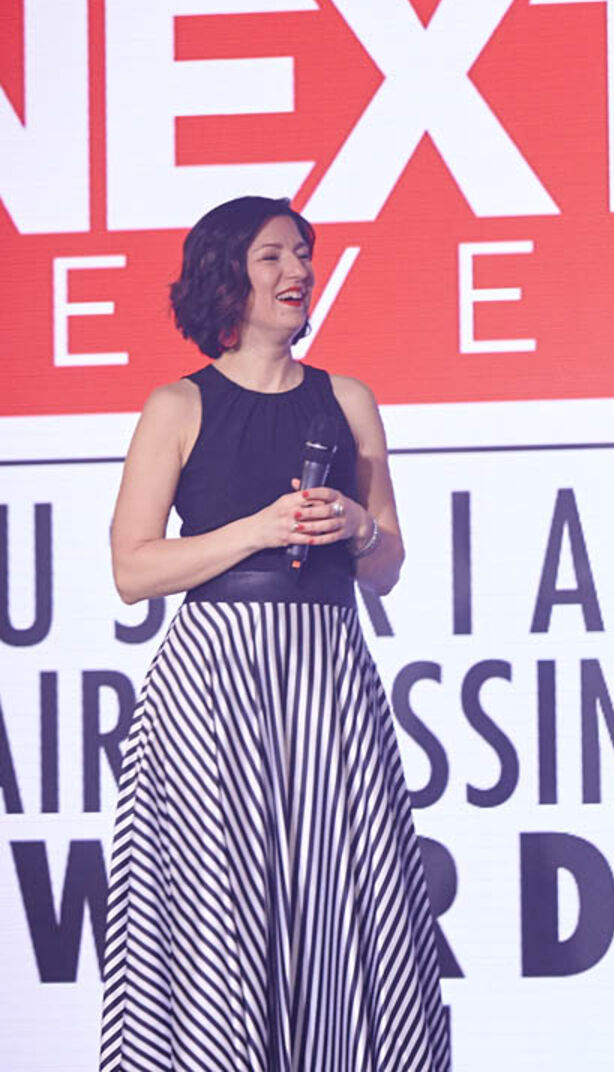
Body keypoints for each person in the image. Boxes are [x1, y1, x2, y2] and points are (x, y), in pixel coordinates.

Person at [98, 197, 449, 1072]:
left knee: (345, 891)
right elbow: (133, 569)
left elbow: (386, 565)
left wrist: (358, 530)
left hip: (327, 673)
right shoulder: (177, 405)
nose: (297, 272)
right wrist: (258, 530)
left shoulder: (348, 399)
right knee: (217, 907)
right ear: (227, 277)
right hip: (214, 683)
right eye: (272, 257)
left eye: (303, 254)